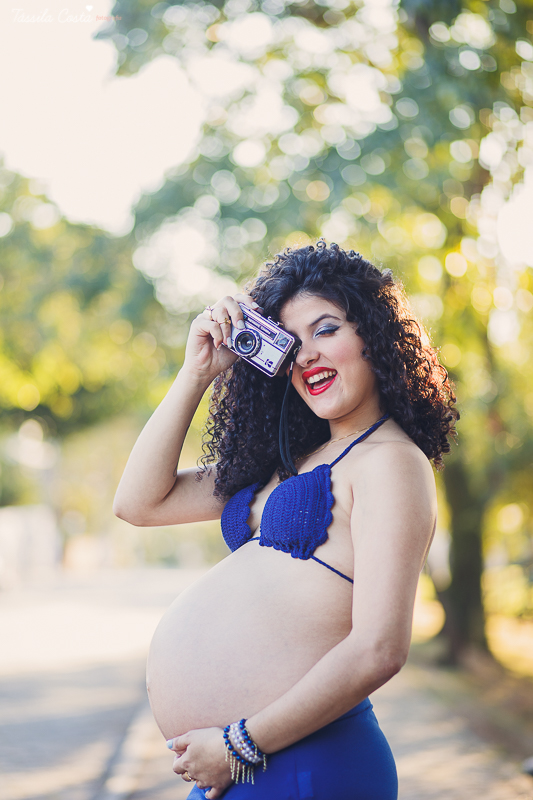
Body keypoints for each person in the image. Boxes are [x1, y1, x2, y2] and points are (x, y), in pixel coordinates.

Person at [113, 240, 458, 800]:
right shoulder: (289, 461)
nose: (306, 356)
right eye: (289, 341)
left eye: (326, 330)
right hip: (246, 767)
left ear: (376, 335)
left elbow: (380, 648)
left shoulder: (392, 464)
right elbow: (137, 502)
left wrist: (239, 745)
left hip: (302, 764)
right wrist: (196, 372)